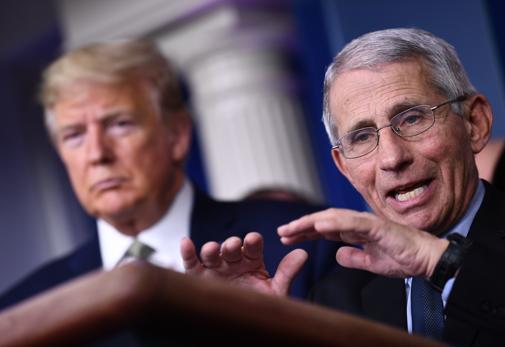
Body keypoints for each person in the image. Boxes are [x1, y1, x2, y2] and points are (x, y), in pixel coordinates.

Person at [180, 28, 505, 346]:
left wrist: (440, 263)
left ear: (474, 123)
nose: (392, 158)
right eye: (362, 137)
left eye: (412, 119)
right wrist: (262, 331)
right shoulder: (337, 298)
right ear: (344, 167)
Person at [0, 40, 339, 310]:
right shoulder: (25, 307)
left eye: (120, 124)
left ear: (177, 135)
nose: (97, 154)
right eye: (74, 135)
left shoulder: (305, 243)